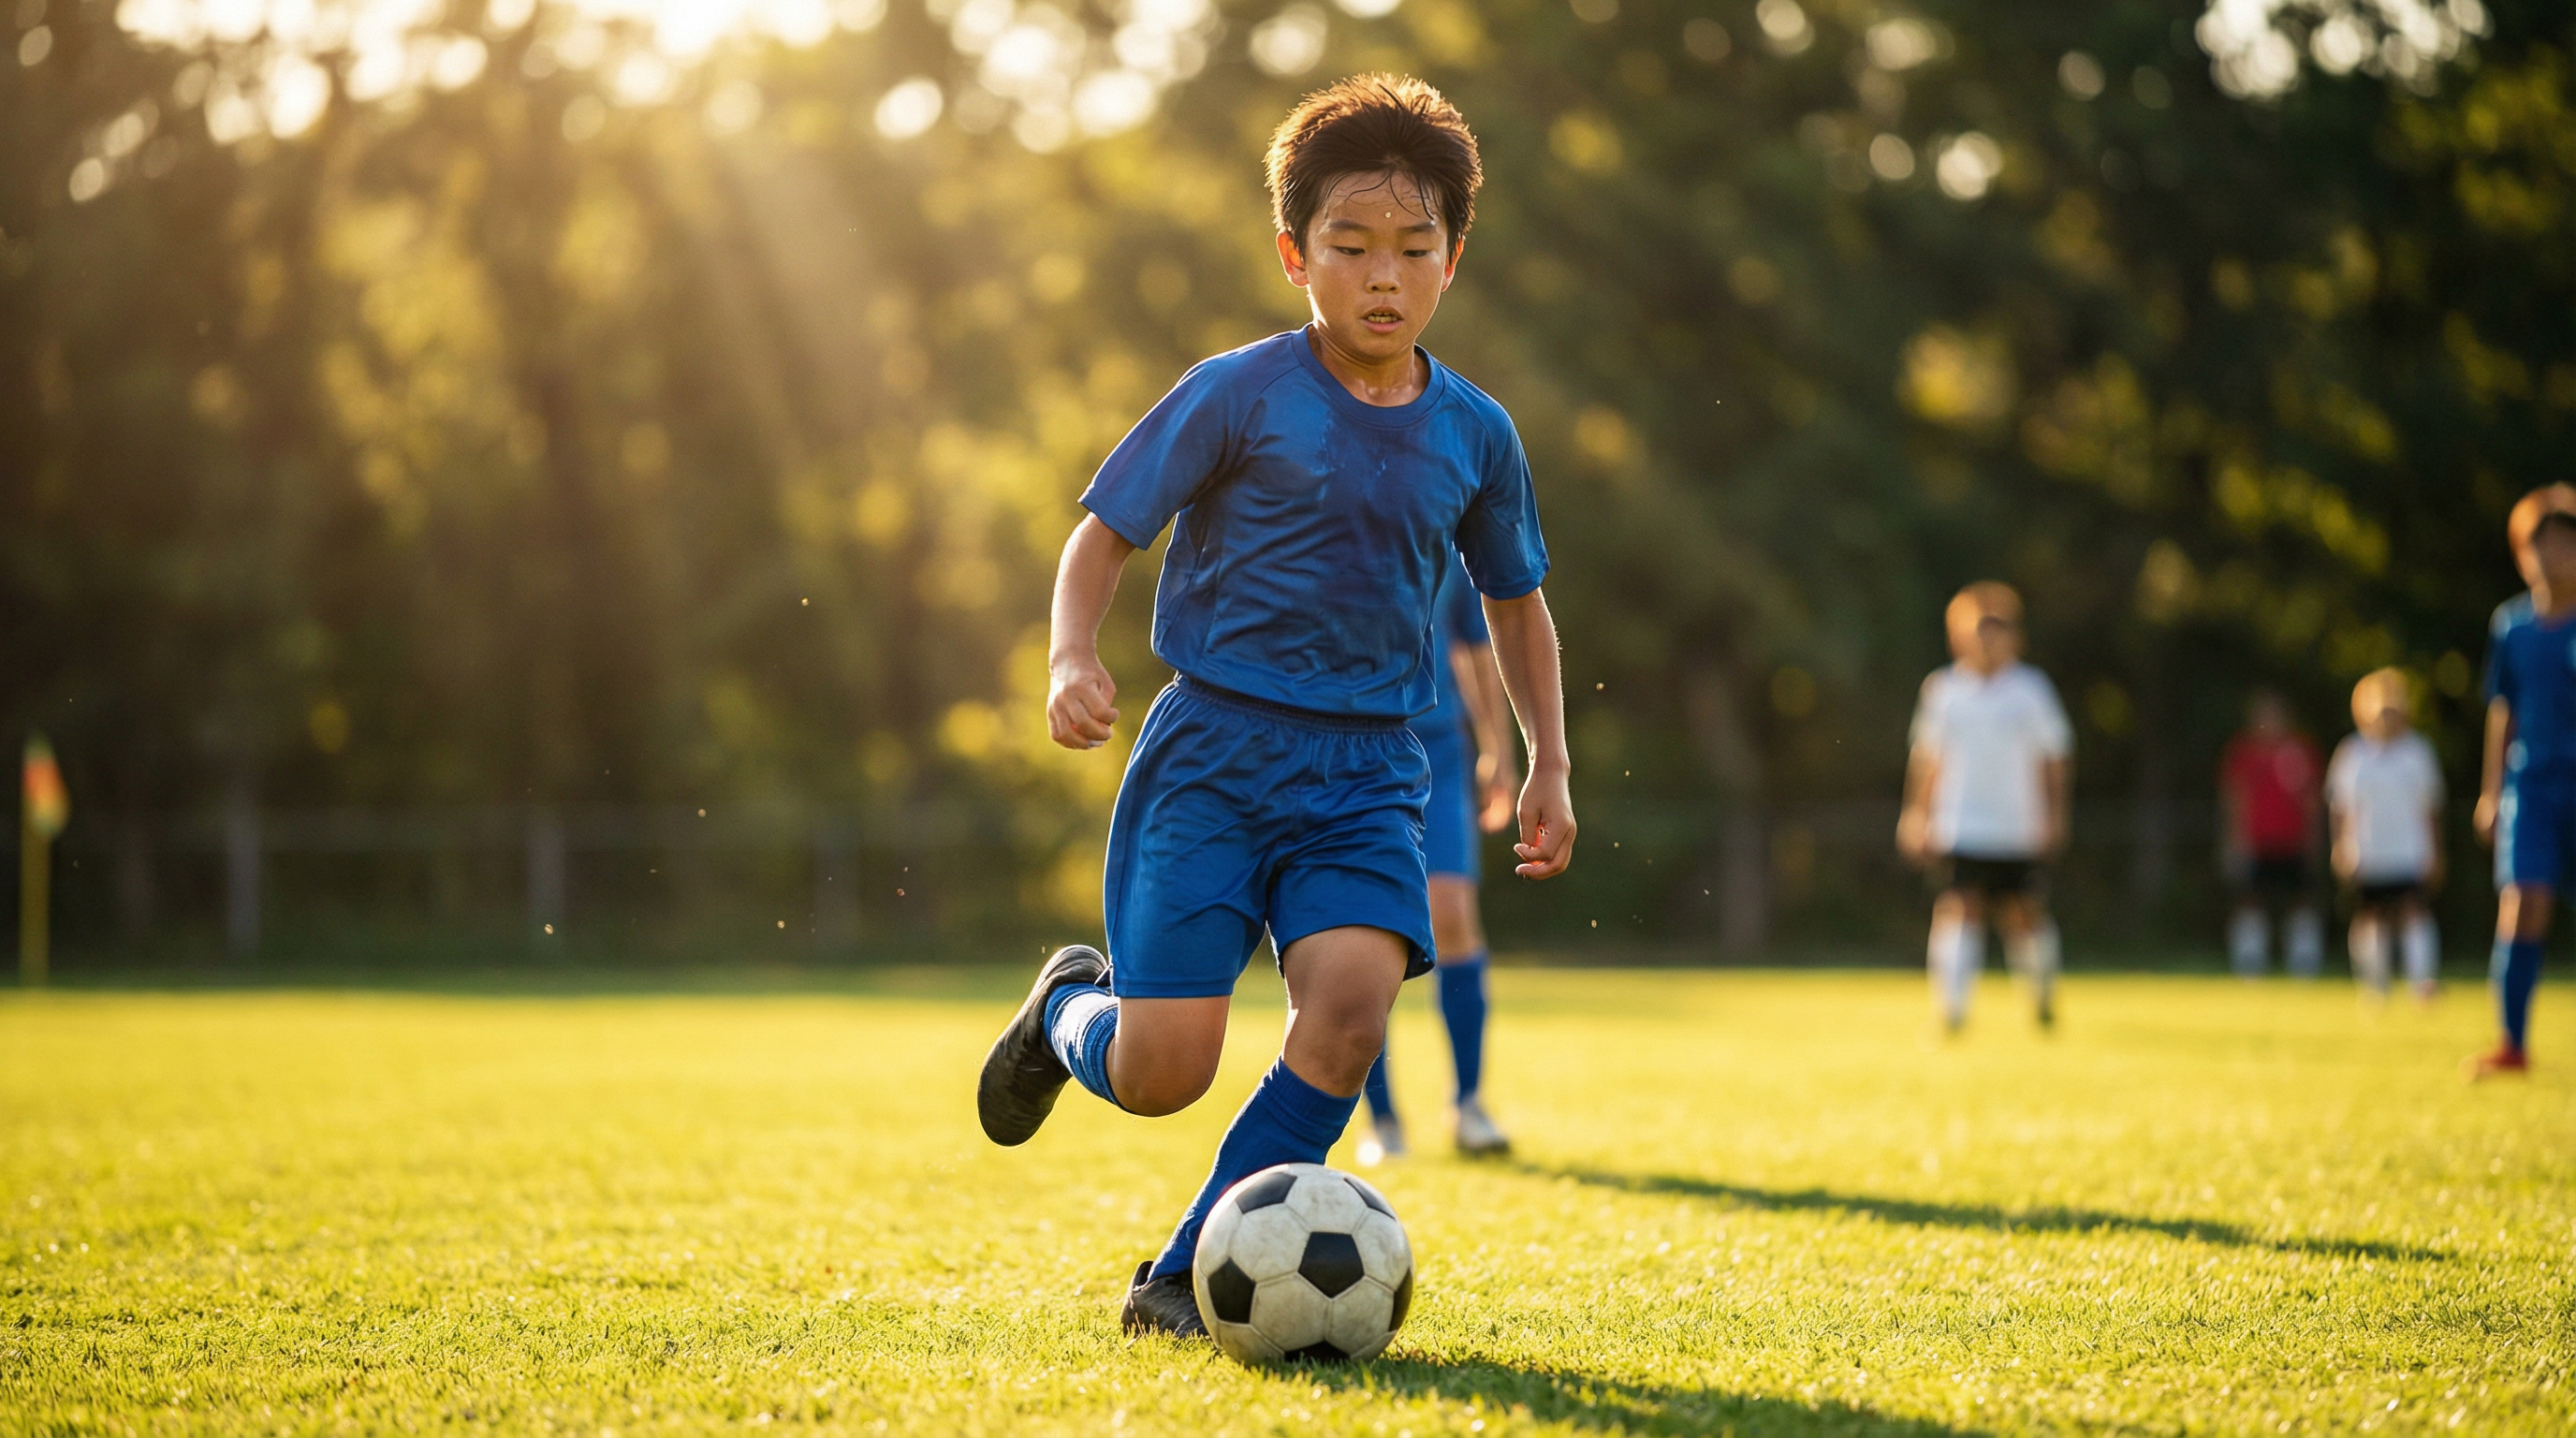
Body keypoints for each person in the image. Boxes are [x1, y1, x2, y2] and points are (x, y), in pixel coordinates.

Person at [971, 75, 1575, 1338]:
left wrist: (1547, 763)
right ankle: (1066, 1012)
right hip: (1211, 755)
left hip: (1366, 773)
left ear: (1452, 261)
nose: (1381, 277)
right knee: (1162, 1073)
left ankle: (1181, 1275)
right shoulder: (1237, 392)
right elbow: (1101, 535)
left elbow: (1517, 603)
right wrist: (1071, 656)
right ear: (1295, 252)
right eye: (1351, 247)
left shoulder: (1478, 434)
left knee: (1349, 1017)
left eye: (1414, 250)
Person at [1356, 555, 1518, 1165]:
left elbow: (1476, 651)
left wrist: (1498, 749)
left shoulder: (1450, 548)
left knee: (1450, 911)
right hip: (1360, 749)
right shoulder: (1334, 520)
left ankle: (1470, 1104)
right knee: (1366, 932)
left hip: (1442, 749)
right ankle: (1383, 1120)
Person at [1897, 581, 2072, 1033]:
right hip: (1962, 824)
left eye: (1997, 629)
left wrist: (2055, 815)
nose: (1987, 639)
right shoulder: (1944, 691)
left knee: (2023, 914)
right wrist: (1916, 814)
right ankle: (1951, 1011)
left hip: (2018, 827)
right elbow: (1929, 760)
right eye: (1978, 629)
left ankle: (2042, 998)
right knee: (1959, 907)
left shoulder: (2031, 691)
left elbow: (2054, 758)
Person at [2470, 484, 2576, 1078]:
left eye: (2566, 544)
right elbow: (2502, 710)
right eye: (2542, 546)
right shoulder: (2511, 627)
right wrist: (2492, 792)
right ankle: (2512, 1042)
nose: (2554, 557)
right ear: (2522, 554)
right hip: (2531, 789)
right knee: (2522, 904)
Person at [2326, 668, 2445, 1002]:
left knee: (2413, 912)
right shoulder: (2352, 754)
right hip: (2368, 851)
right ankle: (2375, 986)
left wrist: (2435, 852)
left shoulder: (2418, 752)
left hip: (2410, 851)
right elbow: (2341, 808)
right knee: (2371, 916)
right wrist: (2341, 848)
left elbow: (2431, 808)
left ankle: (2422, 983)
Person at [2221, 691, 2326, 978]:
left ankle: (2304, 963)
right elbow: (2235, 800)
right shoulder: (2243, 752)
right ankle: (2249, 963)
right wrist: (2235, 842)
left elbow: (2311, 802)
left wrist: (2313, 841)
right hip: (2256, 843)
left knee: (2301, 901)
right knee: (2251, 901)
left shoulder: (2300, 751)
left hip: (2293, 841)